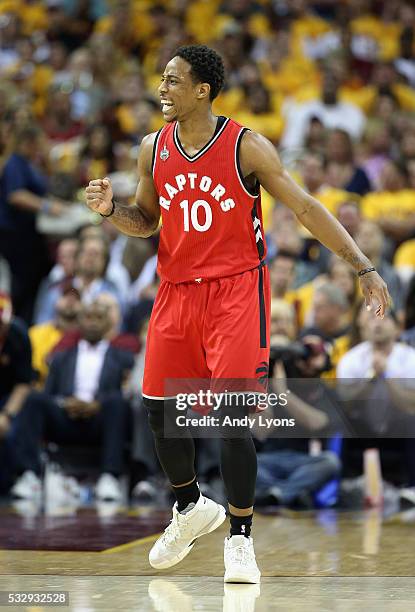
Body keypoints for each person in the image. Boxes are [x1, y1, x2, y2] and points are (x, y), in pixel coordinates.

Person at [85, 45, 390, 584]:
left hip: (235, 291)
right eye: (162, 79)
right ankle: (189, 507)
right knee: (158, 410)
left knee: (229, 417)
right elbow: (146, 221)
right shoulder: (152, 148)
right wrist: (112, 212)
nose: (162, 89)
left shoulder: (246, 147)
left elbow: (306, 208)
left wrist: (363, 266)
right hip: (175, 290)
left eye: (173, 80)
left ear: (203, 89)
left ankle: (241, 539)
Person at [11, 300, 133, 502]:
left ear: (108, 323)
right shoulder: (61, 357)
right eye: (88, 317)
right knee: (33, 399)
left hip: (101, 420)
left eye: (99, 318)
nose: (93, 322)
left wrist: (97, 404)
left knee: (117, 403)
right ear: (80, 321)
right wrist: (64, 403)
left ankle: (109, 477)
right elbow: (49, 394)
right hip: (66, 418)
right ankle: (29, 476)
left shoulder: (123, 358)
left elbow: (127, 394)